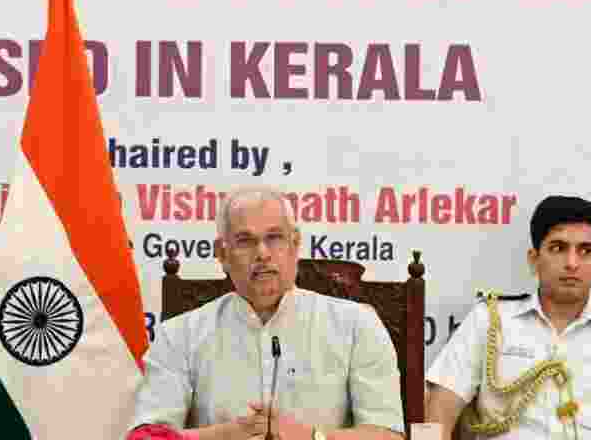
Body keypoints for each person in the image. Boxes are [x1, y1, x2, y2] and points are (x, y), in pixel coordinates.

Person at [128, 186, 405, 440]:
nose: (262, 253)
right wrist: (224, 435)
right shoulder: (180, 335)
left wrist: (312, 437)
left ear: (295, 245)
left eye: (274, 238)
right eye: (245, 241)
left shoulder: (356, 325)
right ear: (222, 254)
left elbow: (388, 436)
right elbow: (147, 436)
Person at [425, 196, 591, 440]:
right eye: (558, 248)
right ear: (534, 259)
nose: (572, 263)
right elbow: (436, 414)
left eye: (585, 251)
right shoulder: (489, 321)